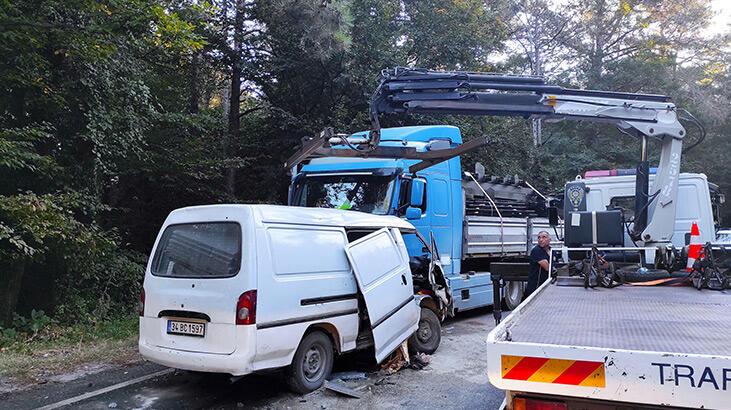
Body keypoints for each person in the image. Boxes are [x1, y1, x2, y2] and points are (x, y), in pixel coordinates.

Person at [526, 231, 551, 297]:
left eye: (544, 237)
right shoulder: (536, 251)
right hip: (536, 288)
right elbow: (548, 268)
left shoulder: (552, 251)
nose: (541, 240)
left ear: (549, 239)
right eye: (539, 238)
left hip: (546, 286)